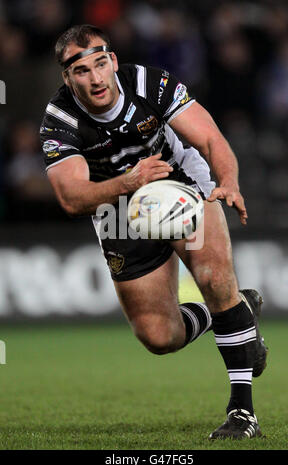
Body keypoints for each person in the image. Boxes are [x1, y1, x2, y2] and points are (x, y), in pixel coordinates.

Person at [40, 24, 268, 440]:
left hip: (178, 180)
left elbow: (211, 138)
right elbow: (72, 198)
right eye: (81, 70)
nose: (95, 78)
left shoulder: (149, 82)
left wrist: (229, 181)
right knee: (160, 337)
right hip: (117, 208)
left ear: (112, 60)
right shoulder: (60, 119)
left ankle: (242, 412)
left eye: (100, 63)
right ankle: (238, 310)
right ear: (67, 78)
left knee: (215, 278)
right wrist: (130, 181)